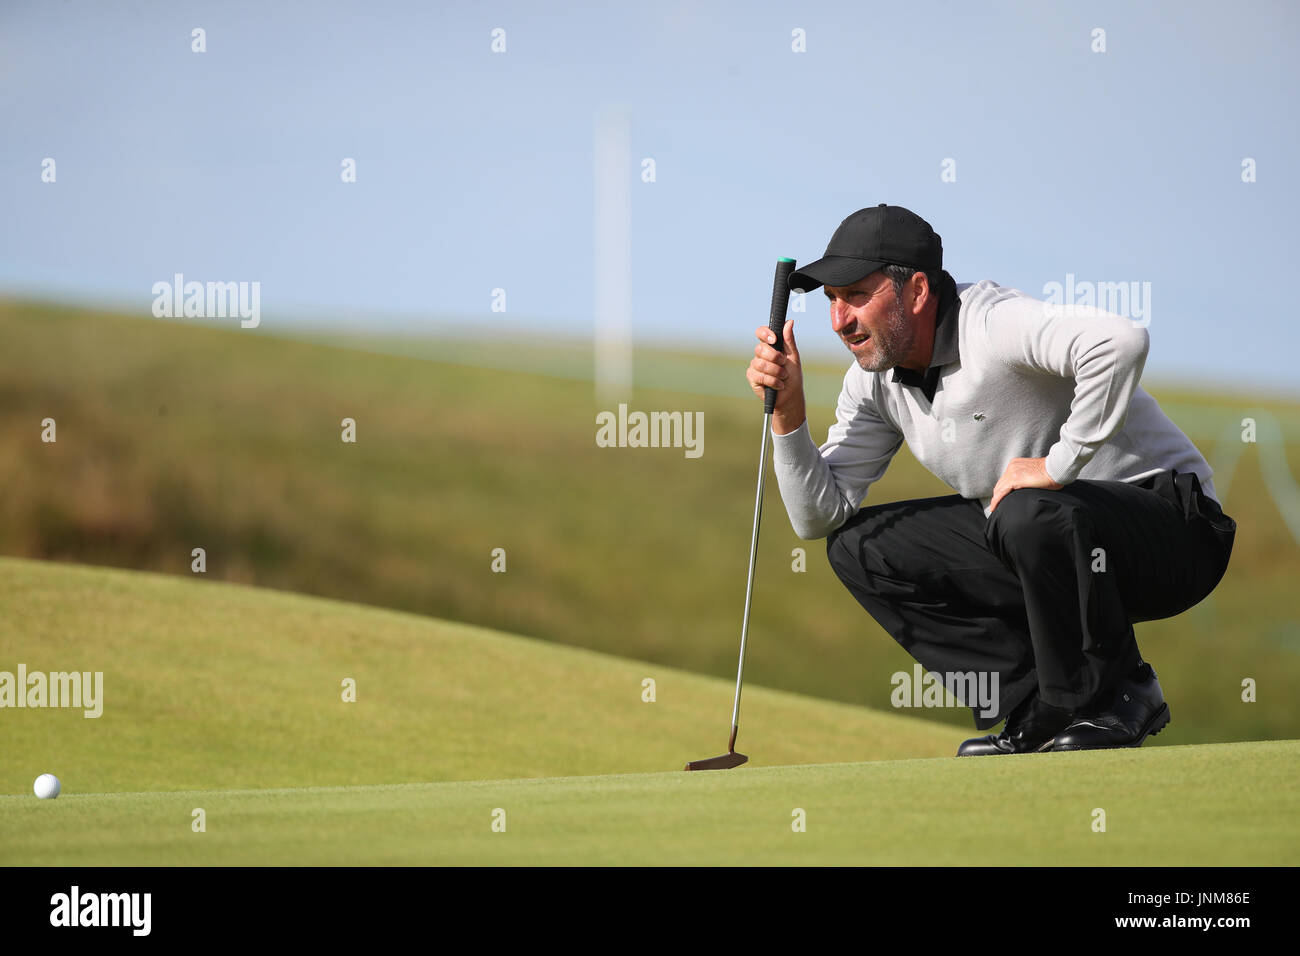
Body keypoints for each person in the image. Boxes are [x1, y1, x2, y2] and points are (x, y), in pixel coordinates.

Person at [746, 204, 1236, 755]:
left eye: (858, 295)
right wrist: (789, 416)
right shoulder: (875, 382)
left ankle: (1121, 693)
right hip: (1044, 544)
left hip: (1175, 534)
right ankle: (1036, 705)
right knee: (860, 547)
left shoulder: (993, 324)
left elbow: (1120, 341)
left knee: (1025, 508)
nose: (840, 320)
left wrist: (1057, 464)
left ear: (917, 291)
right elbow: (817, 517)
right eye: (833, 302)